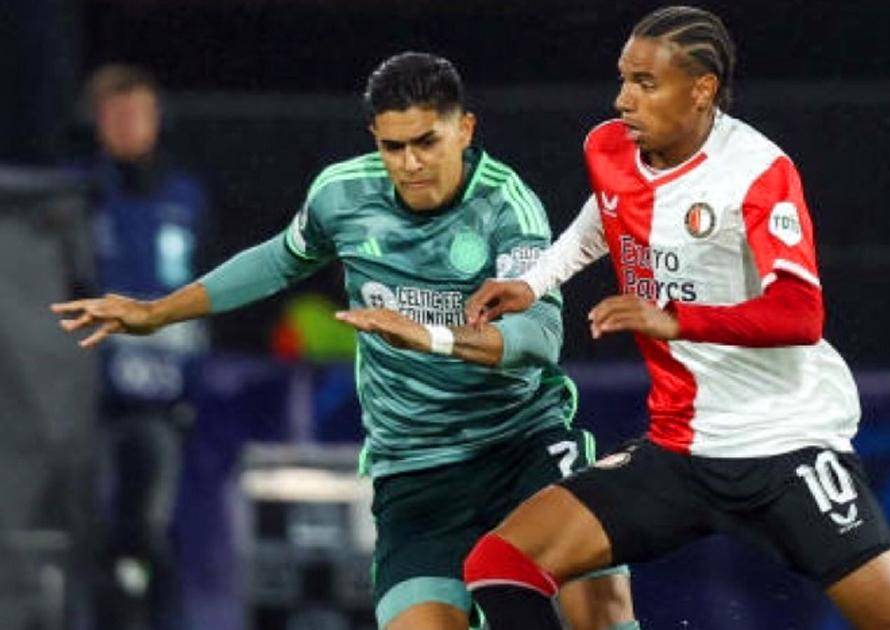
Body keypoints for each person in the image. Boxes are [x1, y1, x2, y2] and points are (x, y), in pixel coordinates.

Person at [52, 52, 638, 630]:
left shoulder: (505, 205)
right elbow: (278, 260)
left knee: (599, 611)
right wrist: (157, 313)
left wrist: (430, 337)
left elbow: (538, 336)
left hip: (521, 446)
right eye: (393, 146)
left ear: (464, 129)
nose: (410, 163)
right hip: (415, 472)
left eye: (427, 142)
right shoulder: (343, 194)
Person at [459, 7, 890, 630]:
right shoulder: (609, 148)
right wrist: (533, 283)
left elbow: (800, 312)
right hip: (680, 452)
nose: (622, 100)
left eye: (645, 83)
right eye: (623, 79)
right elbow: (604, 214)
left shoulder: (756, 170)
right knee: (500, 564)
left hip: (781, 444)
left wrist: (676, 319)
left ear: (702, 89)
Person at [81, 63, 209, 630]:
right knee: (99, 532)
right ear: (97, 123)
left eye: (139, 114)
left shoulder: (187, 197)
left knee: (155, 532)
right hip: (95, 401)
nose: (129, 126)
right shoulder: (81, 196)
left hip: (165, 398)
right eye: (116, 115)